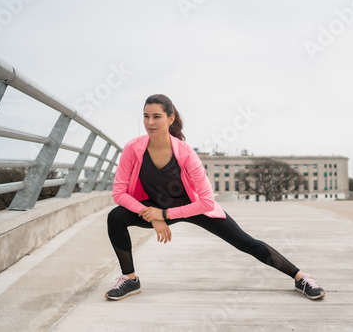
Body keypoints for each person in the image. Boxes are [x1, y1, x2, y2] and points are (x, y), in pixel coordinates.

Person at [106, 94, 325, 301]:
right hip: (154, 207)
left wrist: (164, 214)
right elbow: (119, 192)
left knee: (245, 242)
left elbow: (207, 201)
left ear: (170, 119)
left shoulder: (185, 153)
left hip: (194, 207)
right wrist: (152, 215)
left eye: (156, 117)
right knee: (116, 217)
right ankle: (130, 279)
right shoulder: (133, 148)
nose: (150, 122)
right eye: (146, 116)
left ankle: (301, 278)